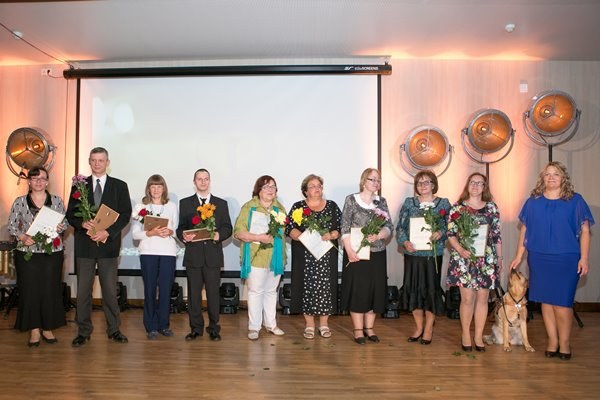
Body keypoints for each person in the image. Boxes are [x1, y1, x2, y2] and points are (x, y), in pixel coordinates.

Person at [509, 162, 594, 360]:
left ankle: (564, 343)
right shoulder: (533, 202)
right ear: (542, 178)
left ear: (563, 178)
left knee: (563, 303)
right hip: (539, 258)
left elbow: (585, 231)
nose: (551, 177)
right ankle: (552, 341)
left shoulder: (575, 201)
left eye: (556, 174)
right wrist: (519, 255)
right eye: (547, 174)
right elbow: (525, 230)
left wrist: (584, 258)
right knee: (546, 302)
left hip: (567, 259)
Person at [66, 147, 132, 347]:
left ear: (107, 162)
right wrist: (81, 223)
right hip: (85, 247)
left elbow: (125, 215)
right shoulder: (79, 185)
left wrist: (108, 232)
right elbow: (70, 214)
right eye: (93, 160)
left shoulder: (119, 186)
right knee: (83, 292)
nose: (97, 164)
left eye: (101, 160)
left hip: (108, 247)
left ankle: (114, 330)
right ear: (89, 161)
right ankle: (83, 331)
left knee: (110, 292)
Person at [8, 167, 67, 346]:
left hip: (52, 253)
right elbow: (12, 226)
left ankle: (48, 328)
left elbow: (65, 222)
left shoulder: (56, 201)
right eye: (35, 179)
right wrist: (22, 237)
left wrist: (61, 227)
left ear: (47, 181)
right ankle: (34, 330)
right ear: (29, 182)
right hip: (27, 254)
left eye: (42, 178)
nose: (39, 181)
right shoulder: (19, 202)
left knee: (50, 290)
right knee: (30, 292)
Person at [446, 172, 502, 352]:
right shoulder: (458, 207)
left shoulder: (492, 208)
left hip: (486, 259)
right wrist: (459, 249)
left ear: (485, 187)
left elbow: (496, 236)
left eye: (480, 183)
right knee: (467, 299)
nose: (476, 185)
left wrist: (499, 258)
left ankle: (478, 336)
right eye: (472, 182)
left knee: (483, 298)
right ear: (467, 185)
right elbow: (450, 234)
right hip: (464, 258)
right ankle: (465, 334)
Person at [177, 169, 232, 342]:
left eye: (206, 179)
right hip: (193, 257)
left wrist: (219, 235)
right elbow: (180, 227)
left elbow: (227, 227)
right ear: (194, 182)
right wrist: (183, 236)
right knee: (194, 295)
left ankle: (214, 328)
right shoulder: (185, 203)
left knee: (213, 295)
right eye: (199, 179)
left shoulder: (221, 204)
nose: (203, 182)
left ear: (209, 181)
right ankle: (196, 329)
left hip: (213, 257)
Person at [396, 170, 450, 345]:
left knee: (430, 291)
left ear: (433, 184)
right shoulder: (409, 203)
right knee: (414, 290)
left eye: (426, 182)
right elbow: (400, 227)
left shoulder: (443, 204)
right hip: (413, 254)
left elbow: (450, 227)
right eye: (419, 183)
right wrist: (404, 242)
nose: (422, 185)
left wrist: (440, 233)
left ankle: (428, 329)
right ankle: (419, 327)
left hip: (433, 255)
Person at [285, 174, 341, 339]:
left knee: (326, 289)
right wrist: (298, 235)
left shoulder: (332, 206)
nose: (317, 188)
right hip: (304, 257)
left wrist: (332, 234)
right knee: (306, 288)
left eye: (319, 185)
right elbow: (289, 227)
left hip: (326, 256)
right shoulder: (298, 207)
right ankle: (309, 325)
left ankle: (324, 324)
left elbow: (340, 227)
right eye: (313, 186)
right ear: (305, 191)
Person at [341, 168, 393, 344]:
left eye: (378, 180)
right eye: (373, 179)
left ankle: (369, 328)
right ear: (364, 181)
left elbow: (389, 227)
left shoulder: (381, 201)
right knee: (358, 290)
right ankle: (358, 330)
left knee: (374, 290)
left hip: (377, 253)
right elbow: (344, 227)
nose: (376, 183)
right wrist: (349, 251)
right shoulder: (351, 200)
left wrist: (379, 235)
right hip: (356, 253)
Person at [234, 175, 287, 340]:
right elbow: (238, 233)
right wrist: (258, 237)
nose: (270, 190)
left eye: (273, 186)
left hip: (275, 258)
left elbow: (284, 233)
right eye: (266, 187)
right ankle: (254, 327)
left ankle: (271, 324)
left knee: (271, 291)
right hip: (255, 257)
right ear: (258, 190)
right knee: (255, 292)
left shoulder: (280, 209)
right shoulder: (249, 207)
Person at [132, 175, 178, 339]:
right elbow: (135, 235)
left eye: (159, 186)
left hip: (168, 253)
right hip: (148, 252)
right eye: (153, 186)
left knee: (165, 291)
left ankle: (164, 325)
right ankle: (150, 326)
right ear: (148, 189)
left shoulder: (171, 206)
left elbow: (176, 230)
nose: (156, 190)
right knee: (150, 290)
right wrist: (150, 233)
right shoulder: (141, 207)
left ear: (164, 189)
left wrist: (170, 231)